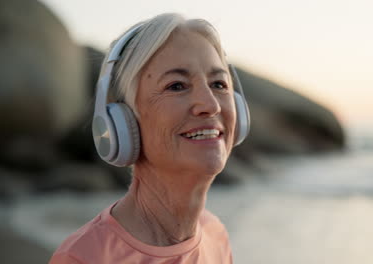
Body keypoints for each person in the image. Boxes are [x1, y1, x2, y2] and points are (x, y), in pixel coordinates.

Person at [49, 13, 250, 264]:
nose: (210, 105)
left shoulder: (215, 235)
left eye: (219, 84)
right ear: (122, 122)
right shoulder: (85, 257)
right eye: (176, 86)